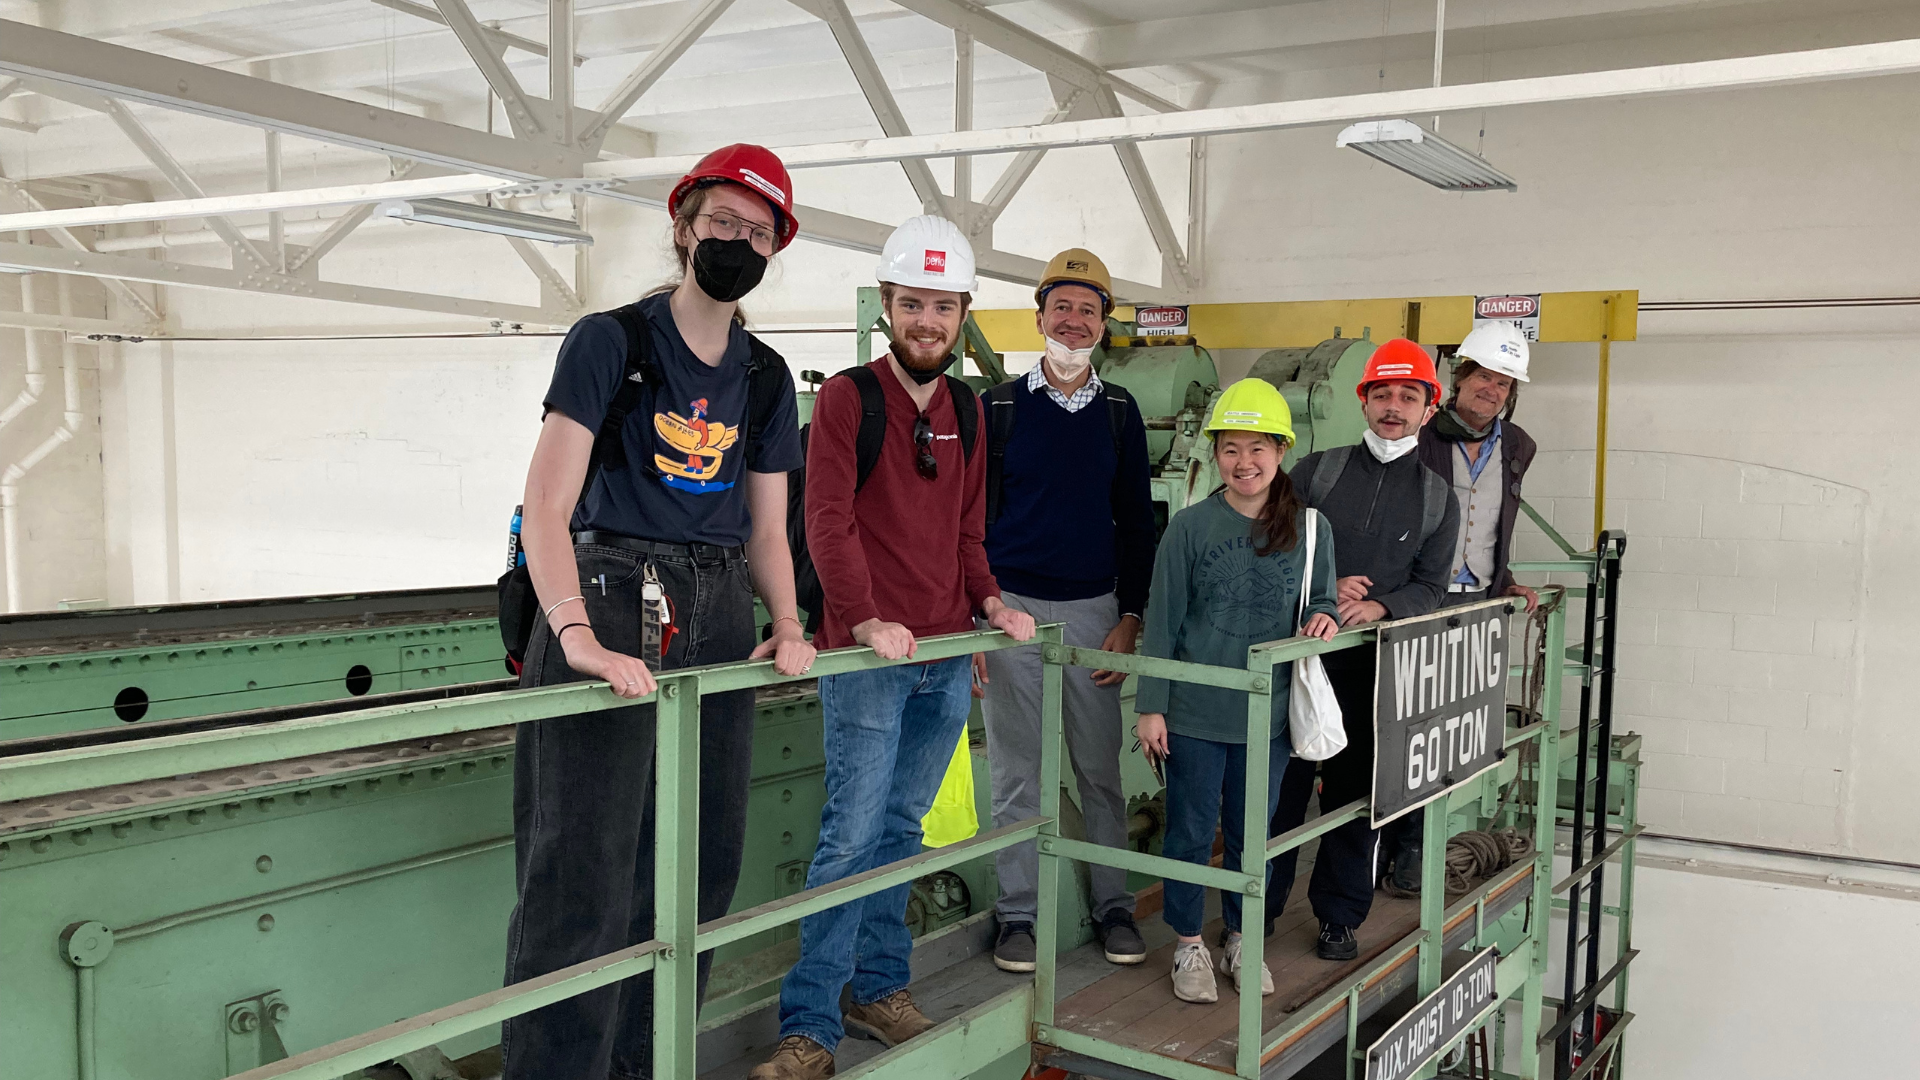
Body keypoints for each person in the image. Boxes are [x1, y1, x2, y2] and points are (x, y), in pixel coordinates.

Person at [502, 144, 818, 1080]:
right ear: (683, 228)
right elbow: (547, 509)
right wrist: (575, 639)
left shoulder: (764, 377)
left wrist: (792, 623)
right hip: (609, 590)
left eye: (758, 233)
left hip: (719, 607)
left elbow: (769, 532)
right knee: (581, 878)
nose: (737, 242)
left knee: (699, 872)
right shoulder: (614, 342)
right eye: (722, 223)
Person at [751, 215, 1037, 1080]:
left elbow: (966, 525)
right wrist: (865, 617)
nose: (927, 322)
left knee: (901, 830)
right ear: (888, 305)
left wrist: (988, 598)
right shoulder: (847, 398)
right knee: (850, 835)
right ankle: (809, 1027)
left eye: (943, 308)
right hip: (869, 661)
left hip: (946, 655)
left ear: (963, 316)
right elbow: (825, 520)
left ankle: (880, 987)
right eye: (912, 304)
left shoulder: (968, 412)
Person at [975, 247, 1157, 974]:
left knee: (1099, 770)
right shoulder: (1001, 407)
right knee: (1017, 771)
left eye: (1088, 309)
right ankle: (1016, 916)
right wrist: (978, 619)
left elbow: (1137, 521)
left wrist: (1132, 616)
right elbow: (972, 518)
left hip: (1093, 609)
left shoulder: (1120, 411)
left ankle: (1113, 905)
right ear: (1040, 314)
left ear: (1103, 324)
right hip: (1010, 605)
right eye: (1062, 306)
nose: (1073, 320)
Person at [1134, 378, 1340, 1003]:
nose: (1243, 462)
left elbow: (1323, 595)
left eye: (1257, 448)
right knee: (1191, 832)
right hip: (1195, 711)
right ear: (1213, 453)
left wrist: (1326, 615)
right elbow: (1164, 619)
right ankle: (1190, 942)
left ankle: (1244, 935)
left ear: (1282, 450)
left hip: (1269, 717)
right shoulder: (1190, 528)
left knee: (1256, 833)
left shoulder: (1312, 530)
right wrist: (1151, 706)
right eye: (1229, 448)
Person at [1266, 338, 1460, 961]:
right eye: (1383, 395)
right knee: (1281, 790)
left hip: (1376, 669)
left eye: (1409, 396)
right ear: (1363, 401)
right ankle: (1257, 913)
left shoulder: (1437, 497)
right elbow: (1271, 547)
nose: (1393, 408)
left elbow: (1430, 586)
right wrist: (1326, 579)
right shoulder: (1316, 472)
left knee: (1357, 798)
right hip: (1301, 660)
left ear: (1429, 408)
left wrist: (1379, 607)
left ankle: (1339, 917)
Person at [1381, 323, 1541, 892]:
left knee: (1451, 738)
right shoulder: (1420, 437)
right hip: (1420, 602)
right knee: (1406, 735)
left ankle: (1415, 857)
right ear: (1459, 380)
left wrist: (1506, 579)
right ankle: (1393, 857)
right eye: (1482, 378)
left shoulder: (1518, 445)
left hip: (1478, 606)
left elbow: (1496, 518)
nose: (1491, 390)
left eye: (1503, 383)